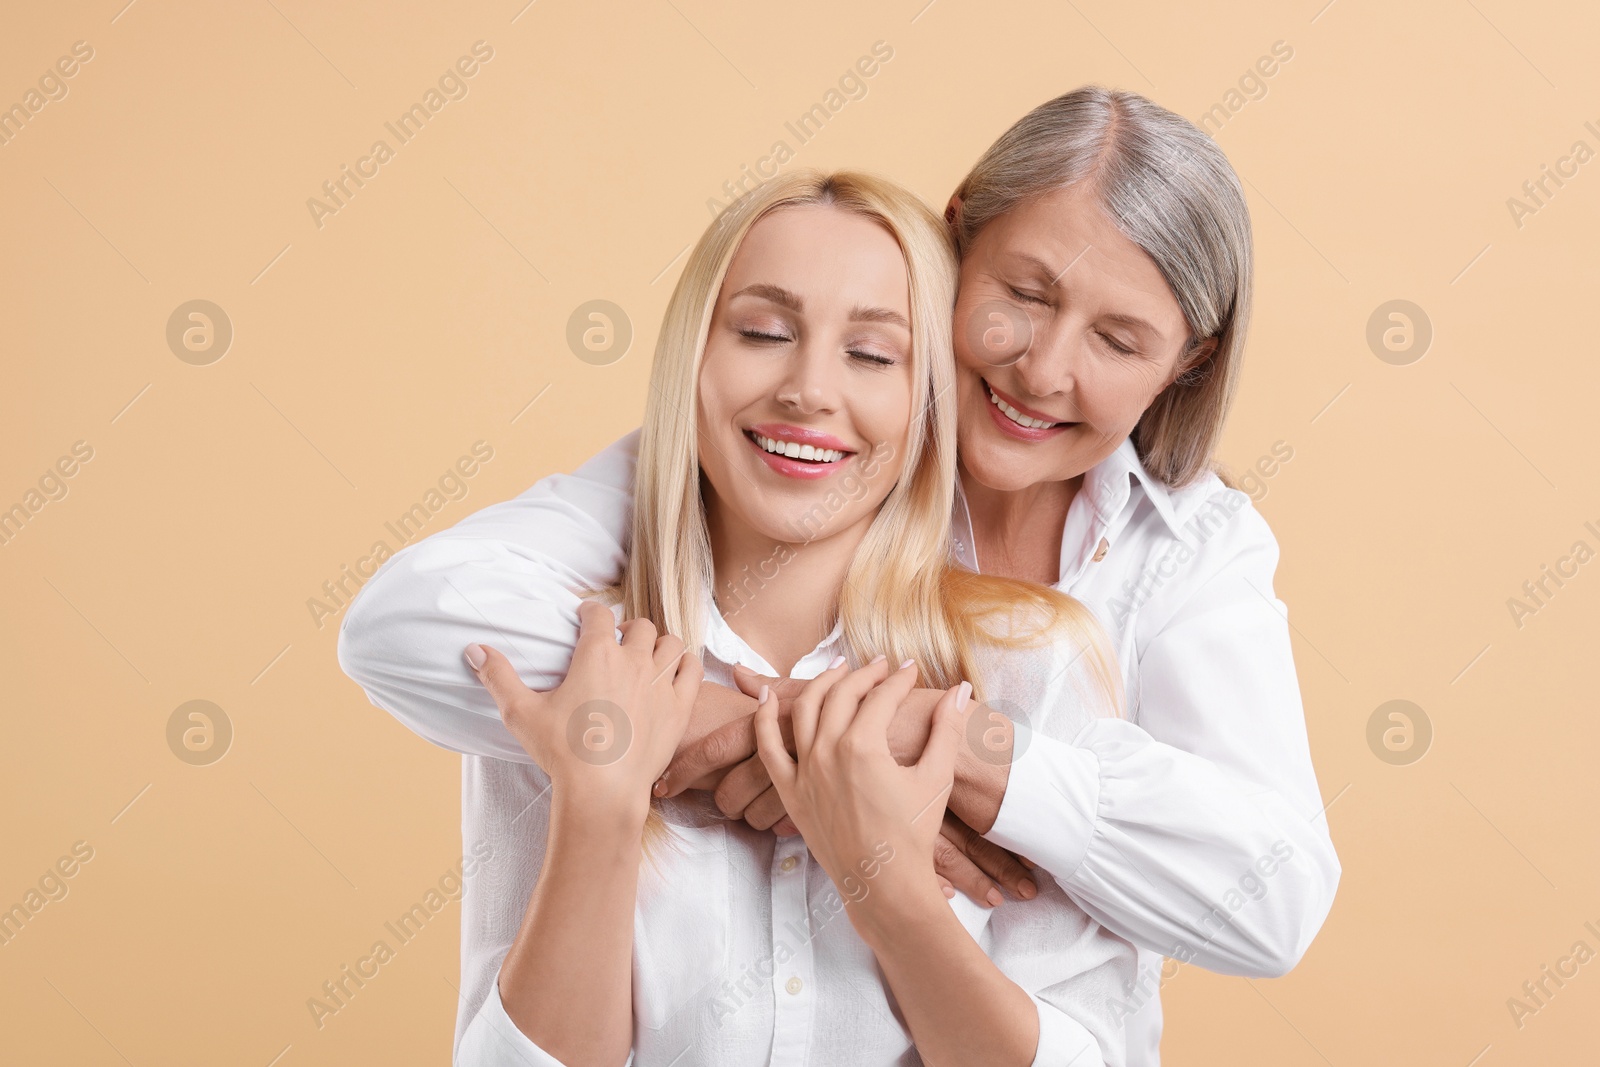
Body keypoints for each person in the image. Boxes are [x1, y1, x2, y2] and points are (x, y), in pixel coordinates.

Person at [338, 86, 1340, 1064]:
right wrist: (752, 735)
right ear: (957, 247)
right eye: (1022, 298)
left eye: (1118, 340)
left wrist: (941, 758)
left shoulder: (1110, 610)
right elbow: (409, 616)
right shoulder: (716, 503)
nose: (1040, 370)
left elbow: (1271, 898)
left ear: (1185, 363)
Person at [417, 169, 1137, 1064]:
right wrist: (600, 811)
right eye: (762, 332)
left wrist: (889, 890)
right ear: (694, 357)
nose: (807, 389)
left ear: (928, 400)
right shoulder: (585, 668)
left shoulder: (1038, 661)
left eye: (873, 354)